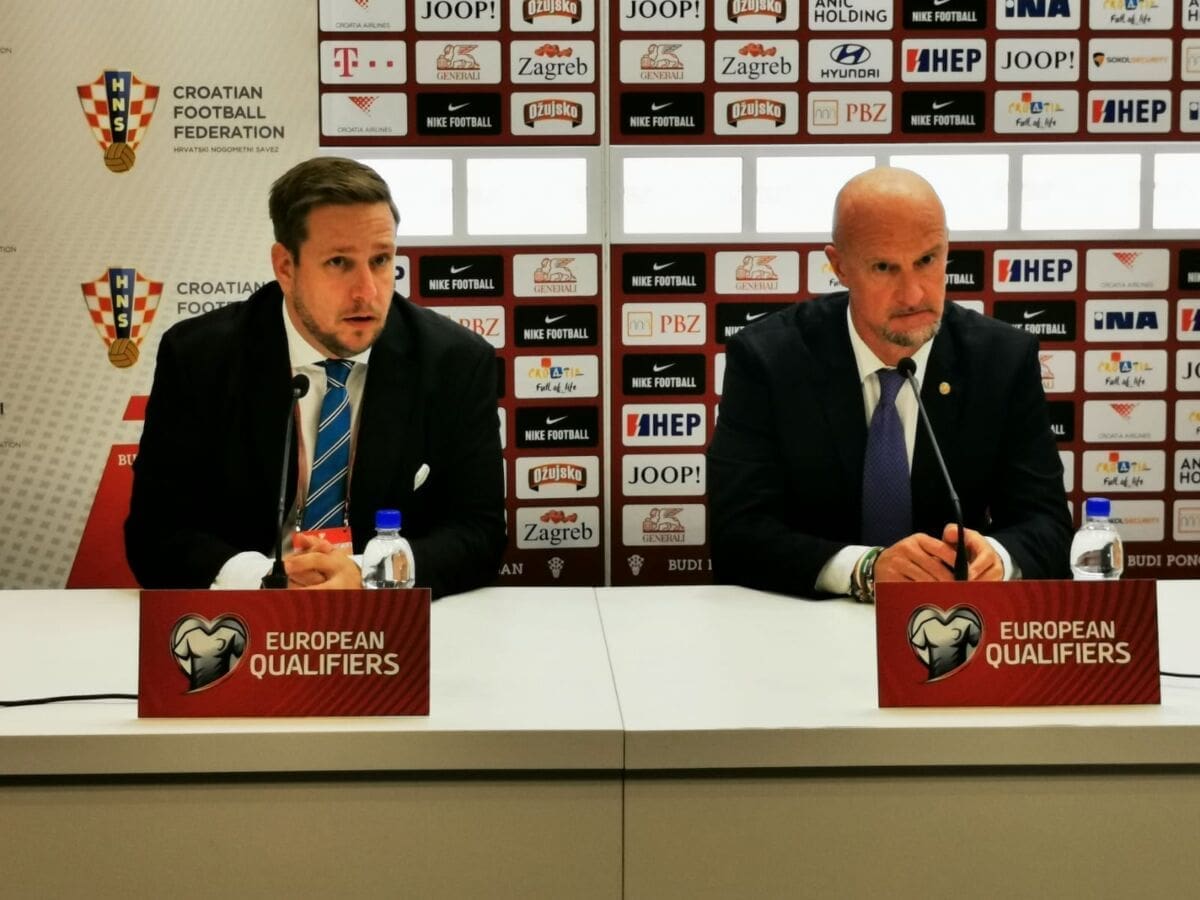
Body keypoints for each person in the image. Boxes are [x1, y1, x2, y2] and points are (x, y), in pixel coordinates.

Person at [125, 156, 506, 598]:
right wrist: (268, 581)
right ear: (285, 267)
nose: (367, 291)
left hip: (386, 619)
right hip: (251, 616)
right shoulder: (200, 358)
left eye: (381, 260)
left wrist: (368, 575)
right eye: (339, 262)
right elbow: (156, 533)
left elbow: (479, 532)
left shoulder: (456, 362)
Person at [706, 166, 1072, 601]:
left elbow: (1047, 525)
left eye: (927, 260)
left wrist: (997, 558)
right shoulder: (769, 360)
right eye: (884, 267)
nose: (913, 294)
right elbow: (736, 534)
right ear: (839, 266)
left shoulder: (1002, 359)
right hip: (805, 621)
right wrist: (863, 568)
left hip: (954, 620)